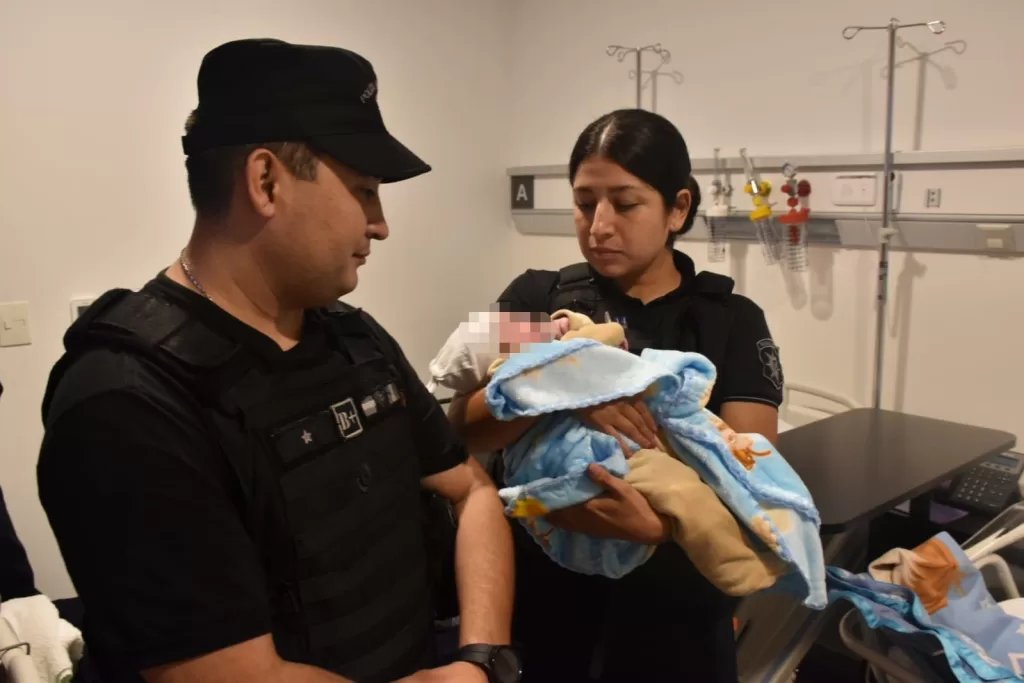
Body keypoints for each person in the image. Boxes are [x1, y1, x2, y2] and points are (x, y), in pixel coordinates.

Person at [36, 39, 520, 683]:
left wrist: (481, 656)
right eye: (364, 191)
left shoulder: (355, 338)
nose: (380, 225)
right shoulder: (125, 403)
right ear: (266, 181)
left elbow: (473, 491)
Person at [447, 108, 785, 682]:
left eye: (625, 204)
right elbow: (461, 432)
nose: (599, 224)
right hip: (543, 594)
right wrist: (561, 387)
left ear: (677, 208)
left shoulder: (728, 322)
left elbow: (752, 468)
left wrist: (662, 527)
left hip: (677, 610)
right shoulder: (538, 301)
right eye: (584, 203)